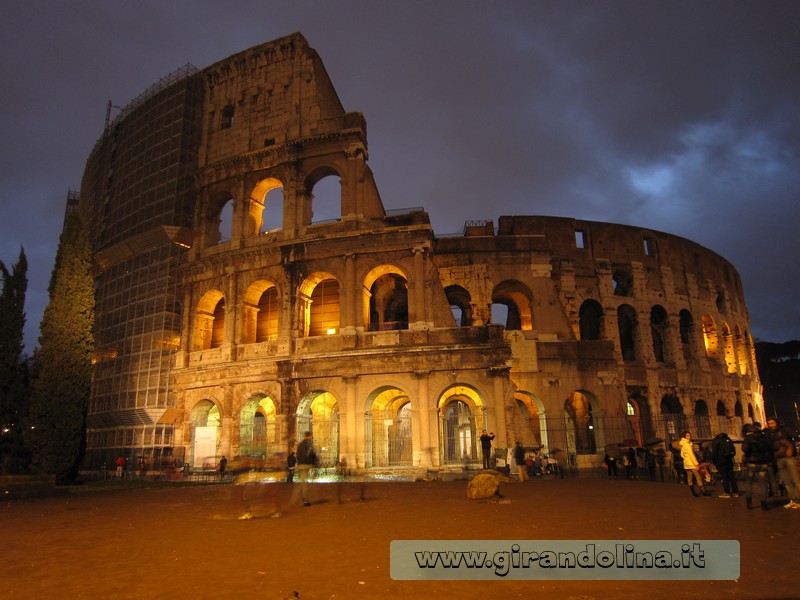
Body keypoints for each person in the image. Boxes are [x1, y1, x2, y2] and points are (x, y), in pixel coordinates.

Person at [742, 423, 773, 510]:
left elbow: (745, 449)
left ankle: (749, 503)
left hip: (752, 463)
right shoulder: (765, 437)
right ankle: (764, 503)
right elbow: (771, 448)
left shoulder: (749, 438)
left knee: (749, 482)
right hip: (763, 463)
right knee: (763, 483)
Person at [774, 426, 800, 509]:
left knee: (795, 481)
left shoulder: (785, 440)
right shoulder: (775, 441)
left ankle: (798, 500)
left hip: (787, 459)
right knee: (787, 482)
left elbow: (790, 447)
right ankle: (793, 499)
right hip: (780, 460)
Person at [292, 432, 317, 507]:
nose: (312, 438)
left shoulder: (300, 444)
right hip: (306, 465)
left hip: (300, 464)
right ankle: (303, 500)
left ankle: (304, 500)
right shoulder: (309, 444)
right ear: (309, 436)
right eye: (311, 436)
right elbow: (312, 454)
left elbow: (298, 455)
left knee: (302, 483)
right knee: (303, 484)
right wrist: (314, 463)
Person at [711, 432, 739, 498]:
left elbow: (714, 452)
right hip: (729, 460)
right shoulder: (728, 439)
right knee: (731, 477)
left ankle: (727, 492)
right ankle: (735, 492)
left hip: (720, 461)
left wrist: (714, 461)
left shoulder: (716, 441)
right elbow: (733, 450)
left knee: (724, 477)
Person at [679, 432, 706, 497]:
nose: (689, 436)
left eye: (689, 435)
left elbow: (682, 455)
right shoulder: (687, 444)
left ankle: (693, 493)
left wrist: (686, 458)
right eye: (687, 435)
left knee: (690, 478)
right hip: (692, 463)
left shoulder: (683, 444)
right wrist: (696, 464)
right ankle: (703, 492)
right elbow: (691, 455)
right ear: (684, 436)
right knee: (698, 477)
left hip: (687, 464)